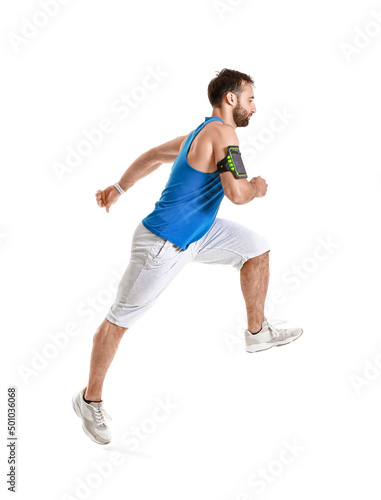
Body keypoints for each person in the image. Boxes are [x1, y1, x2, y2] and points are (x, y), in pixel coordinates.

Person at [72, 68, 303, 445]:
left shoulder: (199, 133)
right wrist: (258, 188)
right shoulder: (224, 135)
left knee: (256, 249)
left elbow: (151, 156)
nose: (254, 108)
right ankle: (89, 399)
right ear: (230, 99)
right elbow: (238, 194)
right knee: (118, 321)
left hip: (199, 232)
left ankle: (257, 332)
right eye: (250, 99)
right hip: (162, 244)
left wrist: (118, 188)